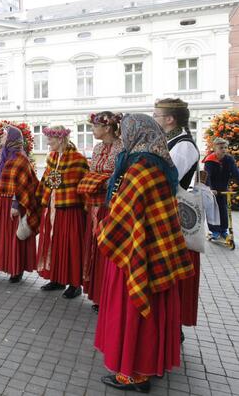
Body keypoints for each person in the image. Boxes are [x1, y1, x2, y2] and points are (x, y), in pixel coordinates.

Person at [95, 113, 194, 393]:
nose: (124, 138)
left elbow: (123, 215)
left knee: (134, 309)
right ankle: (150, 364)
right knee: (155, 309)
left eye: (126, 133)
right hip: (158, 249)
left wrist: (103, 230)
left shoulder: (140, 168)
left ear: (137, 134)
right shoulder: (162, 164)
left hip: (136, 250)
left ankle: (134, 374)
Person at [153, 98, 201, 336]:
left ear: (169, 119)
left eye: (156, 115)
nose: (154, 119)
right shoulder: (170, 140)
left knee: (173, 271)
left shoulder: (184, 145)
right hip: (166, 213)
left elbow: (167, 178)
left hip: (176, 216)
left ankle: (173, 325)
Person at [0, 125, 40, 282]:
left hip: (11, 205)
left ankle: (16, 269)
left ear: (12, 139)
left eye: (4, 135)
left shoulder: (21, 158)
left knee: (12, 238)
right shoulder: (0, 157)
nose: (1, 137)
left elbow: (25, 184)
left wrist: (16, 204)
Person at [77, 112, 123, 311]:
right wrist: (95, 180)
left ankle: (108, 295)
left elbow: (118, 177)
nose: (93, 130)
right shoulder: (97, 148)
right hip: (93, 205)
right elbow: (92, 173)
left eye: (96, 126)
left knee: (106, 248)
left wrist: (97, 181)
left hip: (110, 206)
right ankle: (97, 294)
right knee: (93, 247)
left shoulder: (122, 147)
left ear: (107, 128)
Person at [36, 126, 88, 299]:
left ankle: (74, 283)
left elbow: (82, 185)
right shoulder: (51, 157)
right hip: (52, 207)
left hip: (70, 209)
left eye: (50, 139)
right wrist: (40, 198)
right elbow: (46, 180)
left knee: (71, 246)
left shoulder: (77, 159)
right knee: (54, 244)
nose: (48, 142)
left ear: (59, 140)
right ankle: (57, 278)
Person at [203, 137, 239, 239]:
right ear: (215, 148)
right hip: (212, 189)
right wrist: (210, 188)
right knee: (213, 210)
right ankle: (214, 231)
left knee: (223, 210)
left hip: (223, 188)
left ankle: (223, 230)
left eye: (225, 147)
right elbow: (207, 176)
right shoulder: (209, 160)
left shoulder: (229, 159)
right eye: (221, 147)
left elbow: (235, 173)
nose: (224, 150)